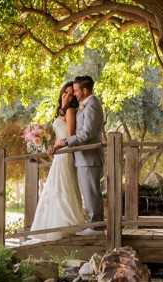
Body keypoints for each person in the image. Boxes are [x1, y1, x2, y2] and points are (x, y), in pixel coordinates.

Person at [27, 82, 86, 243]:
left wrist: (58, 145)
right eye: (64, 93)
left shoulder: (71, 111)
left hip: (66, 153)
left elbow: (70, 135)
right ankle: (50, 225)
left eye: (70, 93)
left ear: (73, 96)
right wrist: (46, 143)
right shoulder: (59, 112)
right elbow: (59, 135)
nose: (66, 95)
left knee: (63, 185)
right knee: (53, 188)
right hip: (59, 153)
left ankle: (67, 223)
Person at [55, 75, 105, 235]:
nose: (74, 94)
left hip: (90, 156)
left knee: (91, 193)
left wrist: (66, 141)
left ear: (85, 90)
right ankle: (94, 224)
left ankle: (96, 226)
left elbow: (87, 133)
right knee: (88, 192)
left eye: (76, 90)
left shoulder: (93, 105)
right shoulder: (86, 105)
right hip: (83, 157)